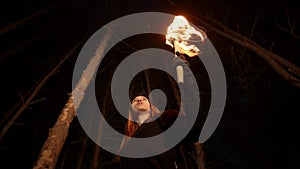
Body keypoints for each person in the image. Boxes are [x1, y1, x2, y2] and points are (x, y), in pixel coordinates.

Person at [99, 91, 182, 169]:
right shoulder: (128, 142)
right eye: (135, 100)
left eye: (144, 99)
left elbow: (189, 130)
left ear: (150, 105)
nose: (139, 100)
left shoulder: (165, 118)